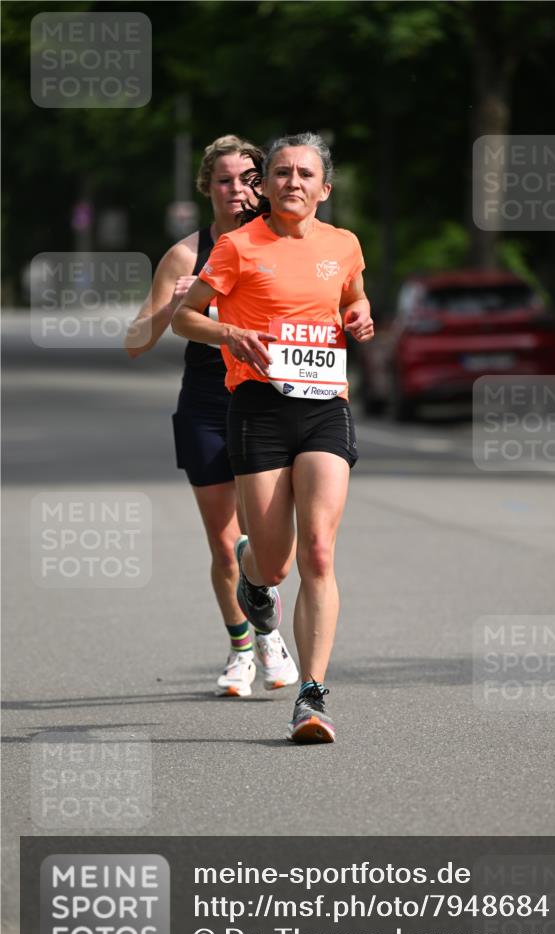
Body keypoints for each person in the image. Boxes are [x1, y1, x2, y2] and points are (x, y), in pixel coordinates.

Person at [172, 132, 374, 743]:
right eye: (281, 172)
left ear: (324, 188)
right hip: (257, 407)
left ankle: (311, 697)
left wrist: (362, 315)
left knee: (317, 552)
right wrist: (229, 336)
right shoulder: (237, 246)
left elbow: (354, 299)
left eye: (304, 174)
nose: (292, 182)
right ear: (268, 184)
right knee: (275, 563)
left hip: (323, 407)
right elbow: (186, 317)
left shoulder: (343, 244)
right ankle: (251, 572)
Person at [125, 135, 298, 698]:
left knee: (265, 544)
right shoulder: (185, 254)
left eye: (248, 179)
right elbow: (134, 342)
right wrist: (174, 304)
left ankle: (268, 630)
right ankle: (244, 647)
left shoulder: (279, 242)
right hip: (205, 404)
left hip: (267, 401)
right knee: (225, 544)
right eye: (225, 180)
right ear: (208, 187)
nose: (238, 191)